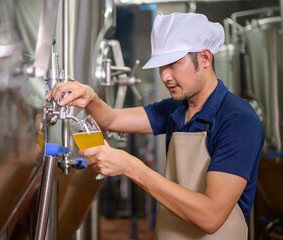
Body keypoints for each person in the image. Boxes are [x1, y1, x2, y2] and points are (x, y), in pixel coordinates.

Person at [46, 12, 264, 239]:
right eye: (161, 66)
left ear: (206, 58)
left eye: (173, 63)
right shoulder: (175, 109)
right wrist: (90, 98)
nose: (165, 76)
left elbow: (211, 217)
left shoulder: (238, 119)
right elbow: (111, 119)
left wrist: (131, 167)